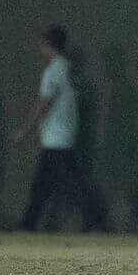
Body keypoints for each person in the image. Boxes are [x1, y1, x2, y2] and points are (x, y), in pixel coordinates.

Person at [19, 26, 100, 231]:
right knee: (55, 184)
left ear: (47, 45)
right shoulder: (70, 69)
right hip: (66, 133)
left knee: (62, 185)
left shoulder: (53, 70)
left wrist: (25, 129)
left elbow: (45, 101)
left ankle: (29, 224)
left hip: (55, 136)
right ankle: (29, 223)